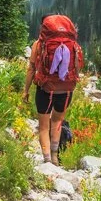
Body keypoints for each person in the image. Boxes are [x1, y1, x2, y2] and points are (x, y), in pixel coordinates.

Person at [23, 14, 83, 165]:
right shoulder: (72, 44)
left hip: (46, 89)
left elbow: (31, 69)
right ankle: (55, 157)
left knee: (43, 127)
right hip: (67, 89)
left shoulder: (39, 44)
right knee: (57, 122)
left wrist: (26, 90)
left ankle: (47, 159)